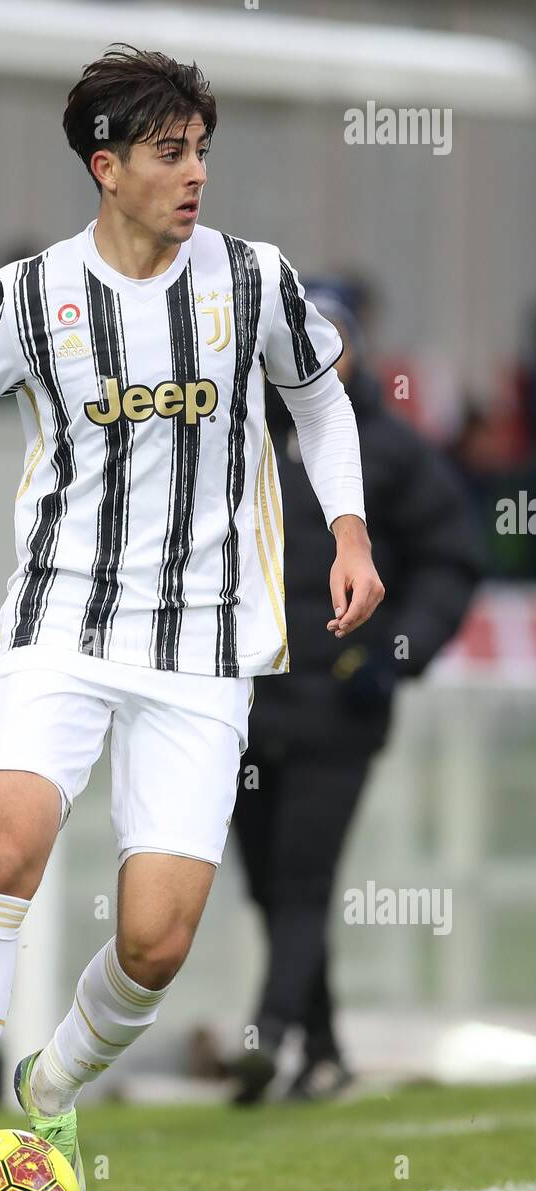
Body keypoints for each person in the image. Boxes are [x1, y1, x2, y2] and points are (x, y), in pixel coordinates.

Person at [0, 46, 383, 1191]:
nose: (194, 172)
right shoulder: (27, 297)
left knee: (155, 942)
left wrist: (347, 532)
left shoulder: (254, 281)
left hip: (203, 646)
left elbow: (318, 395)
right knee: (5, 845)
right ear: (105, 168)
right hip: (60, 620)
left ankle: (46, 1090)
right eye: (168, 153)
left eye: (201, 149)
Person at [227, 281, 484, 1105]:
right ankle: (326, 1050)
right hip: (242, 702)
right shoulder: (240, 440)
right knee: (268, 883)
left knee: (302, 879)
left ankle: (264, 1033)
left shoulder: (393, 451)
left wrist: (394, 655)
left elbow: (452, 561)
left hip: (341, 707)